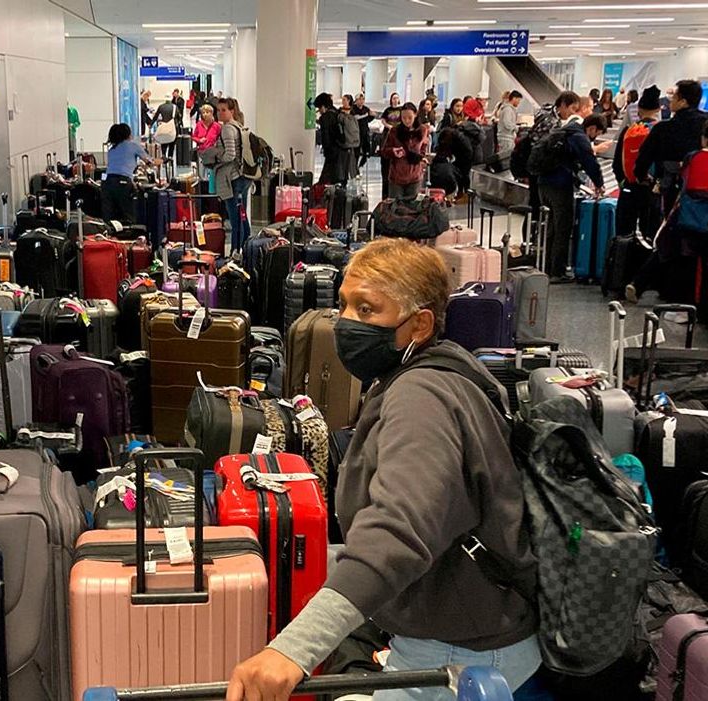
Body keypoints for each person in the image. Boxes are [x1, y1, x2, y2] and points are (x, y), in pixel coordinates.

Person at [225, 237, 541, 701]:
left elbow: (398, 529)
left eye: (368, 310)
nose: (347, 322)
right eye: (345, 305)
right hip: (453, 626)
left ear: (418, 325)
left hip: (465, 653)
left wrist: (292, 650)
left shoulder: (422, 400)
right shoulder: (434, 372)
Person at [628, 118, 708, 305]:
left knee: (669, 248)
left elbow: (685, 182)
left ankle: (640, 284)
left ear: (703, 138)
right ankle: (702, 304)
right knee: (706, 263)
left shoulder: (692, 157)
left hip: (687, 215)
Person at [634, 80, 708, 215]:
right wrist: (705, 114)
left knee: (670, 220)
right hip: (706, 189)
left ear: (683, 101)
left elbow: (644, 157)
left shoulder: (663, 128)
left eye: (674, 97)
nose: (670, 101)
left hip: (671, 185)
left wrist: (642, 177)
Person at [535, 94, 607, 282]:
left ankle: (547, 267)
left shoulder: (567, 131)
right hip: (559, 186)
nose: (595, 138)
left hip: (544, 183)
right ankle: (557, 272)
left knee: (551, 227)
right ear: (592, 128)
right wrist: (599, 184)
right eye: (596, 134)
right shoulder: (579, 137)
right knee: (562, 227)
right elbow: (589, 162)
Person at [613, 85, 664, 244]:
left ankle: (621, 264)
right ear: (658, 110)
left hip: (629, 187)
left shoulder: (629, 131)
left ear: (639, 110)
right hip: (651, 190)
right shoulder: (661, 132)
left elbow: (616, 163)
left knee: (623, 233)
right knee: (651, 235)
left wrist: (623, 182)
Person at [207, 97, 254, 253]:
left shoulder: (227, 129)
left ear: (232, 111)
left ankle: (235, 252)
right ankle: (247, 247)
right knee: (242, 216)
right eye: (218, 110)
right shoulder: (238, 126)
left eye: (224, 110)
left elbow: (230, 155)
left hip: (232, 179)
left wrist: (216, 159)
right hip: (243, 177)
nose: (220, 113)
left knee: (235, 219)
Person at [101, 123, 159, 224]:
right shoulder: (133, 145)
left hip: (107, 183)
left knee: (110, 217)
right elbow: (150, 162)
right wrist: (163, 160)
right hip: (122, 183)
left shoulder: (112, 149)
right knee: (128, 214)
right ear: (128, 134)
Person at [381, 102, 431, 200]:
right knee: (396, 209)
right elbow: (384, 151)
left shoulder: (423, 130)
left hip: (415, 176)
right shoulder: (394, 131)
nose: (406, 121)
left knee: (412, 209)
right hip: (396, 177)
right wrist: (393, 151)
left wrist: (420, 157)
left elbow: (423, 149)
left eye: (409, 117)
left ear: (415, 115)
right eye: (403, 118)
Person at [313, 92, 352, 186]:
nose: (320, 111)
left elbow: (326, 138)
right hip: (344, 151)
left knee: (326, 182)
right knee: (340, 180)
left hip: (332, 154)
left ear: (323, 106)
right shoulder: (338, 113)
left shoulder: (325, 118)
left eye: (319, 108)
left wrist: (326, 151)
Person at [192, 104, 222, 193]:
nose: (205, 114)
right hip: (201, 152)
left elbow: (220, 138)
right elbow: (193, 136)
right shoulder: (198, 125)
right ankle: (203, 194)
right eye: (203, 112)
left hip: (212, 154)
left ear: (212, 113)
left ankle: (212, 193)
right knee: (201, 175)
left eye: (207, 112)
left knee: (212, 175)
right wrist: (199, 140)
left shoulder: (217, 126)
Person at [496, 91, 522, 157]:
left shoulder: (510, 109)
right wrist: (517, 128)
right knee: (505, 158)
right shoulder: (508, 110)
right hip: (506, 137)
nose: (519, 102)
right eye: (518, 100)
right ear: (514, 98)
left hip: (508, 137)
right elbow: (507, 123)